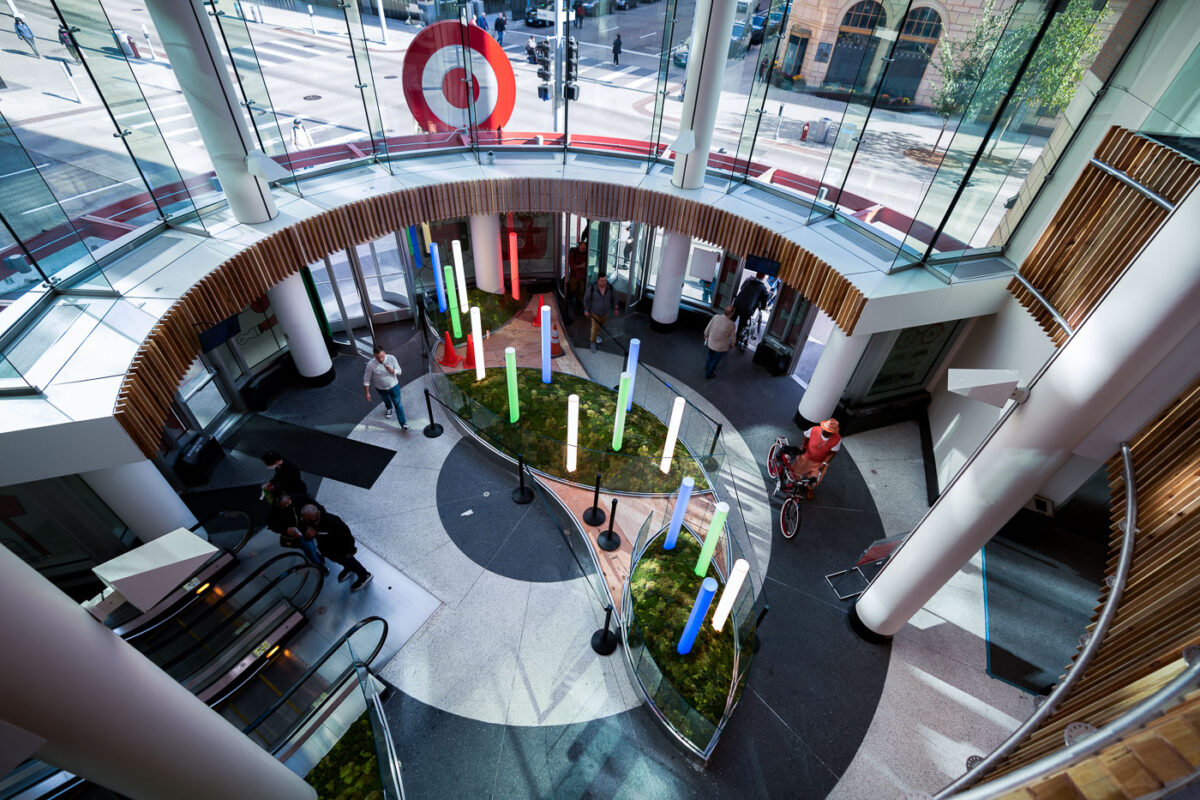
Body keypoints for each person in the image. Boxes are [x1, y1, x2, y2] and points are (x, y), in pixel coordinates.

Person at [300, 505, 372, 592]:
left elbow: (347, 534)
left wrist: (351, 549)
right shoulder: (310, 522)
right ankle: (348, 568)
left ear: (314, 517)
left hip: (341, 549)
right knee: (342, 561)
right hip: (329, 550)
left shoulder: (332, 521)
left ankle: (364, 575)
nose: (304, 521)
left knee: (349, 561)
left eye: (307, 519)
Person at [266, 490, 328, 573]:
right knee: (309, 550)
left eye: (288, 503)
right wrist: (286, 530)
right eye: (282, 506)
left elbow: (319, 508)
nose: (286, 507)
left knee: (314, 546)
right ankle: (319, 565)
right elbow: (272, 526)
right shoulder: (275, 511)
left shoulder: (300, 498)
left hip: (311, 528)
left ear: (287, 495)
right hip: (300, 535)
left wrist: (316, 524)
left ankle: (317, 557)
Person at [781, 418, 841, 499]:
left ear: (833, 432)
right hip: (806, 457)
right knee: (796, 473)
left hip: (820, 462)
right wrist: (803, 447)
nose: (827, 432)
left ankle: (810, 489)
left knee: (816, 479)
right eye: (826, 430)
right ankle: (797, 485)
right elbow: (805, 437)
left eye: (830, 432)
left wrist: (825, 463)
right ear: (823, 428)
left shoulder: (837, 439)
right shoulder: (814, 430)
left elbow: (832, 453)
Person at [364, 344, 408, 430]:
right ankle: (389, 408)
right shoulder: (370, 364)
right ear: (374, 356)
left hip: (394, 386)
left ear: (384, 353)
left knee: (398, 404)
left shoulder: (392, 358)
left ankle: (403, 424)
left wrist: (392, 371)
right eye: (377, 358)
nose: (380, 359)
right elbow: (366, 378)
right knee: (386, 400)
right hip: (380, 388)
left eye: (382, 356)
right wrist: (367, 392)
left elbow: (400, 372)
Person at [732, 271, 770, 342]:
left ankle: (724, 332)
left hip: (737, 303)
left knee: (731, 320)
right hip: (747, 308)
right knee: (742, 324)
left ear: (756, 274)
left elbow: (742, 288)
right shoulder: (762, 287)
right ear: (764, 277)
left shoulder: (748, 280)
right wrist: (763, 306)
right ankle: (737, 339)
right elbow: (766, 297)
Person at [583, 274, 618, 351]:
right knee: (595, 327)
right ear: (598, 280)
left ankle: (596, 336)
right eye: (602, 281)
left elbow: (615, 297)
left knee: (600, 326)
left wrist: (616, 308)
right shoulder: (592, 288)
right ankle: (592, 343)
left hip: (605, 313)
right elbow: (586, 299)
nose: (604, 282)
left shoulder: (610, 288)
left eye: (605, 280)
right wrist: (586, 310)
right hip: (595, 313)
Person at [703, 306, 737, 379]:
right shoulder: (731, 324)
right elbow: (732, 337)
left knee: (710, 356)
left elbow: (708, 327)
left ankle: (707, 367)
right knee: (715, 360)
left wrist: (706, 334)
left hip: (711, 342)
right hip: (720, 347)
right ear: (731, 314)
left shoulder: (716, 317)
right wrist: (732, 343)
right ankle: (708, 374)